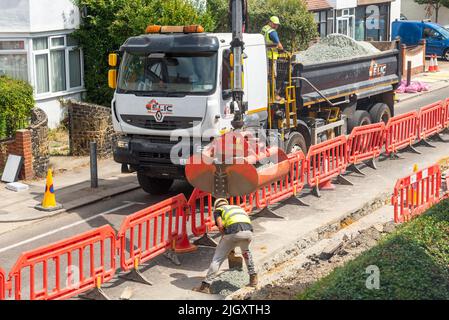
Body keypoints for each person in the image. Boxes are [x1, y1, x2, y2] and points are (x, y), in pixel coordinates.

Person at [193, 198, 258, 294]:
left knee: (217, 259)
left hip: (233, 232)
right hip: (248, 232)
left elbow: (220, 226)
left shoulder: (219, 210)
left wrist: (224, 238)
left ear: (216, 206)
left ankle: (205, 286)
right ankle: (253, 278)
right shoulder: (237, 208)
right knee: (246, 252)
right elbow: (242, 221)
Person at [261, 16, 284, 101]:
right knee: (273, 76)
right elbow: (279, 45)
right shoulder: (272, 32)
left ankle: (265, 94)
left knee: (266, 76)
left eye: (277, 25)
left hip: (263, 56)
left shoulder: (264, 29)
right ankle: (274, 95)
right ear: (270, 22)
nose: (276, 26)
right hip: (271, 57)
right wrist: (282, 50)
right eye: (275, 24)